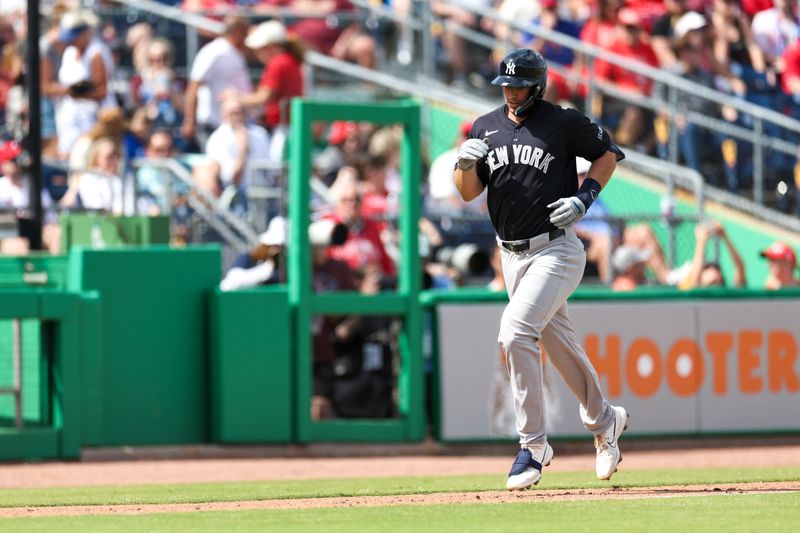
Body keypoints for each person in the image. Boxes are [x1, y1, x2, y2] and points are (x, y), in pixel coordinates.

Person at [453, 48, 628, 491]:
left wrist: (585, 198)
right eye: (506, 86)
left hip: (557, 250)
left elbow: (607, 154)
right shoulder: (486, 126)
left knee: (514, 332)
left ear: (538, 86)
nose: (511, 92)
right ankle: (606, 422)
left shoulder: (562, 121)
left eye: (519, 85)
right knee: (561, 346)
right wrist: (464, 163)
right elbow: (469, 193)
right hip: (511, 255)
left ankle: (532, 446)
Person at [231, 20, 304, 163]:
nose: (257, 54)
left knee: (278, 169)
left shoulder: (279, 63)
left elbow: (264, 96)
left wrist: (236, 98)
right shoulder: (289, 61)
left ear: (272, 46)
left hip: (284, 128)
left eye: (260, 49)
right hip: (286, 127)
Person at [181, 15, 251, 151]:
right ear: (237, 31)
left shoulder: (235, 51)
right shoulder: (213, 52)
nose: (246, 36)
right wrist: (189, 121)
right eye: (245, 32)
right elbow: (193, 87)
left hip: (234, 122)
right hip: (213, 123)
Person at [679, 220, 746, 290]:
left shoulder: (727, 295)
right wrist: (701, 242)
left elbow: (740, 269)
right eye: (708, 268)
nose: (714, 272)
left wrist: (725, 236)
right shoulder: (696, 294)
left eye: (717, 269)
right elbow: (694, 280)